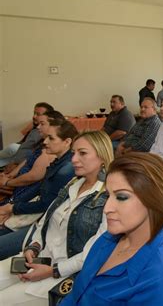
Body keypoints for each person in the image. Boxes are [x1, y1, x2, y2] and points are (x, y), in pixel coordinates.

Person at [0, 130, 113, 305]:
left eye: (82, 153)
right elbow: (45, 221)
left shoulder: (109, 197)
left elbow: (95, 251)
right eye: (74, 152)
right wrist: (34, 246)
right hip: (39, 258)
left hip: (63, 274)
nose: (74, 159)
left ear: (102, 157)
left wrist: (52, 271)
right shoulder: (73, 183)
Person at [61, 152, 163, 305]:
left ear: (155, 200)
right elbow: (76, 295)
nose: (106, 209)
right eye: (108, 196)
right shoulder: (108, 238)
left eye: (122, 197)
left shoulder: (161, 282)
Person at [0, 120, 77, 260]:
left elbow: (46, 204)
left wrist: (12, 208)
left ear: (67, 142)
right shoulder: (58, 162)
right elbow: (39, 189)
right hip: (35, 217)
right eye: (46, 137)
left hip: (44, 225)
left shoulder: (67, 168)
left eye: (51, 138)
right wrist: (10, 206)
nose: (45, 141)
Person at [0, 111, 65, 203]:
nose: (38, 127)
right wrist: (10, 175)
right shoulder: (42, 143)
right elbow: (27, 160)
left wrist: (7, 182)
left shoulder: (51, 150)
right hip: (18, 184)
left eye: (42, 124)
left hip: (24, 191)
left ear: (54, 126)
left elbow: (33, 177)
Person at [0, 102, 54, 170]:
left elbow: (30, 151)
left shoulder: (44, 132)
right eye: (34, 113)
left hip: (22, 158)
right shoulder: (35, 126)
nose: (34, 116)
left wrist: (15, 164)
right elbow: (24, 138)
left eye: (38, 114)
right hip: (20, 153)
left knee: (13, 147)